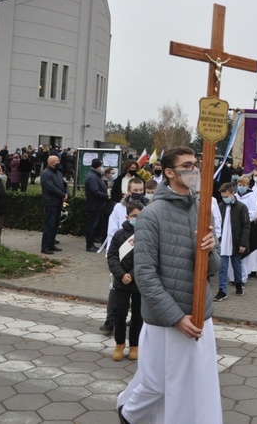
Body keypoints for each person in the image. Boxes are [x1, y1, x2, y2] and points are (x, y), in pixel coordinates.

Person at [117, 146, 222, 424]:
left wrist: (211, 251)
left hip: (200, 315)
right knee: (159, 385)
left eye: (195, 165)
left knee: (197, 386)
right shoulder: (152, 215)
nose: (193, 170)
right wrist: (176, 318)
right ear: (168, 172)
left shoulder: (203, 211)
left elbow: (214, 269)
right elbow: (145, 275)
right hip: (166, 321)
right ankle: (128, 414)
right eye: (186, 166)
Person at [106, 200, 144, 361]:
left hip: (139, 282)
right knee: (119, 313)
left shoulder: (146, 235)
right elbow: (112, 256)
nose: (137, 219)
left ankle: (134, 345)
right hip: (121, 282)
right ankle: (119, 343)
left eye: (140, 216)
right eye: (134, 216)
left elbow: (147, 258)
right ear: (128, 217)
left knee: (138, 316)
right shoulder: (119, 235)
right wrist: (121, 274)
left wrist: (134, 274)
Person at [214, 183, 251, 301]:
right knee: (222, 268)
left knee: (236, 265)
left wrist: (243, 243)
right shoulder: (220, 206)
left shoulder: (241, 207)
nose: (225, 199)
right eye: (223, 197)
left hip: (235, 241)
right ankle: (222, 290)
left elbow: (246, 226)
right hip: (222, 242)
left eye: (226, 196)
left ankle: (239, 284)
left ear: (233, 193)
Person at [40, 155, 68, 255]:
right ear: (51, 162)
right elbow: (50, 188)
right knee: (49, 225)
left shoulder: (58, 173)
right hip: (50, 203)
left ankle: (51, 244)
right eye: (57, 161)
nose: (59, 162)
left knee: (56, 225)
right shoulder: (46, 174)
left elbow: (64, 185)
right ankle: (45, 247)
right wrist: (62, 195)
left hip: (58, 202)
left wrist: (66, 193)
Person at [84, 158, 109, 252]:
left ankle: (94, 239)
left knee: (97, 224)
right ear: (97, 167)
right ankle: (89, 245)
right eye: (101, 166)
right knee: (92, 225)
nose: (102, 168)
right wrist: (106, 196)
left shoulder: (96, 176)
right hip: (94, 205)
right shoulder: (92, 177)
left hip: (98, 205)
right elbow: (95, 191)